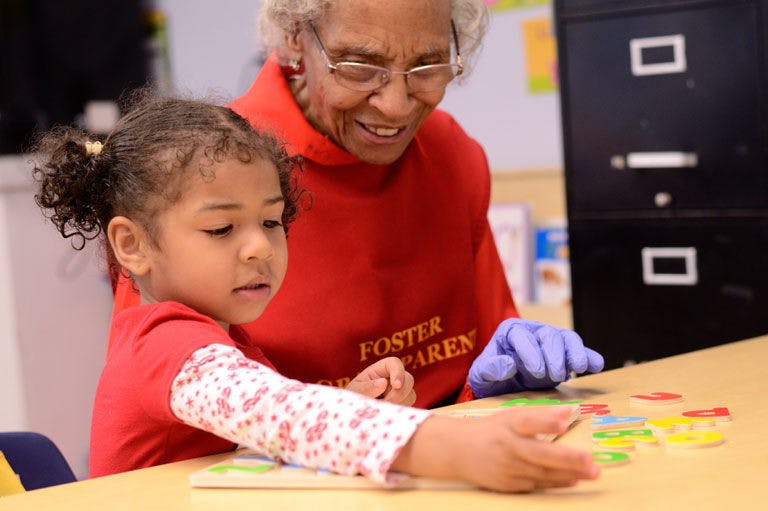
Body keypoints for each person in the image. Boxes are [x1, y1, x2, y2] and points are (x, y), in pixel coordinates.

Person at [32, 96, 600, 492]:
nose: (259, 248)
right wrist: (449, 449)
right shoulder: (166, 345)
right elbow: (281, 415)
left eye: (273, 222)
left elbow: (255, 438)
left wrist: (353, 403)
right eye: (221, 229)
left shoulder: (224, 340)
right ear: (132, 245)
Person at [111, 0, 604, 408]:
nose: (396, 105)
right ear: (294, 37)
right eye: (359, 66)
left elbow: (483, 360)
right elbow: (172, 413)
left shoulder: (451, 153)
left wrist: (502, 382)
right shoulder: (203, 180)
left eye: (427, 65)